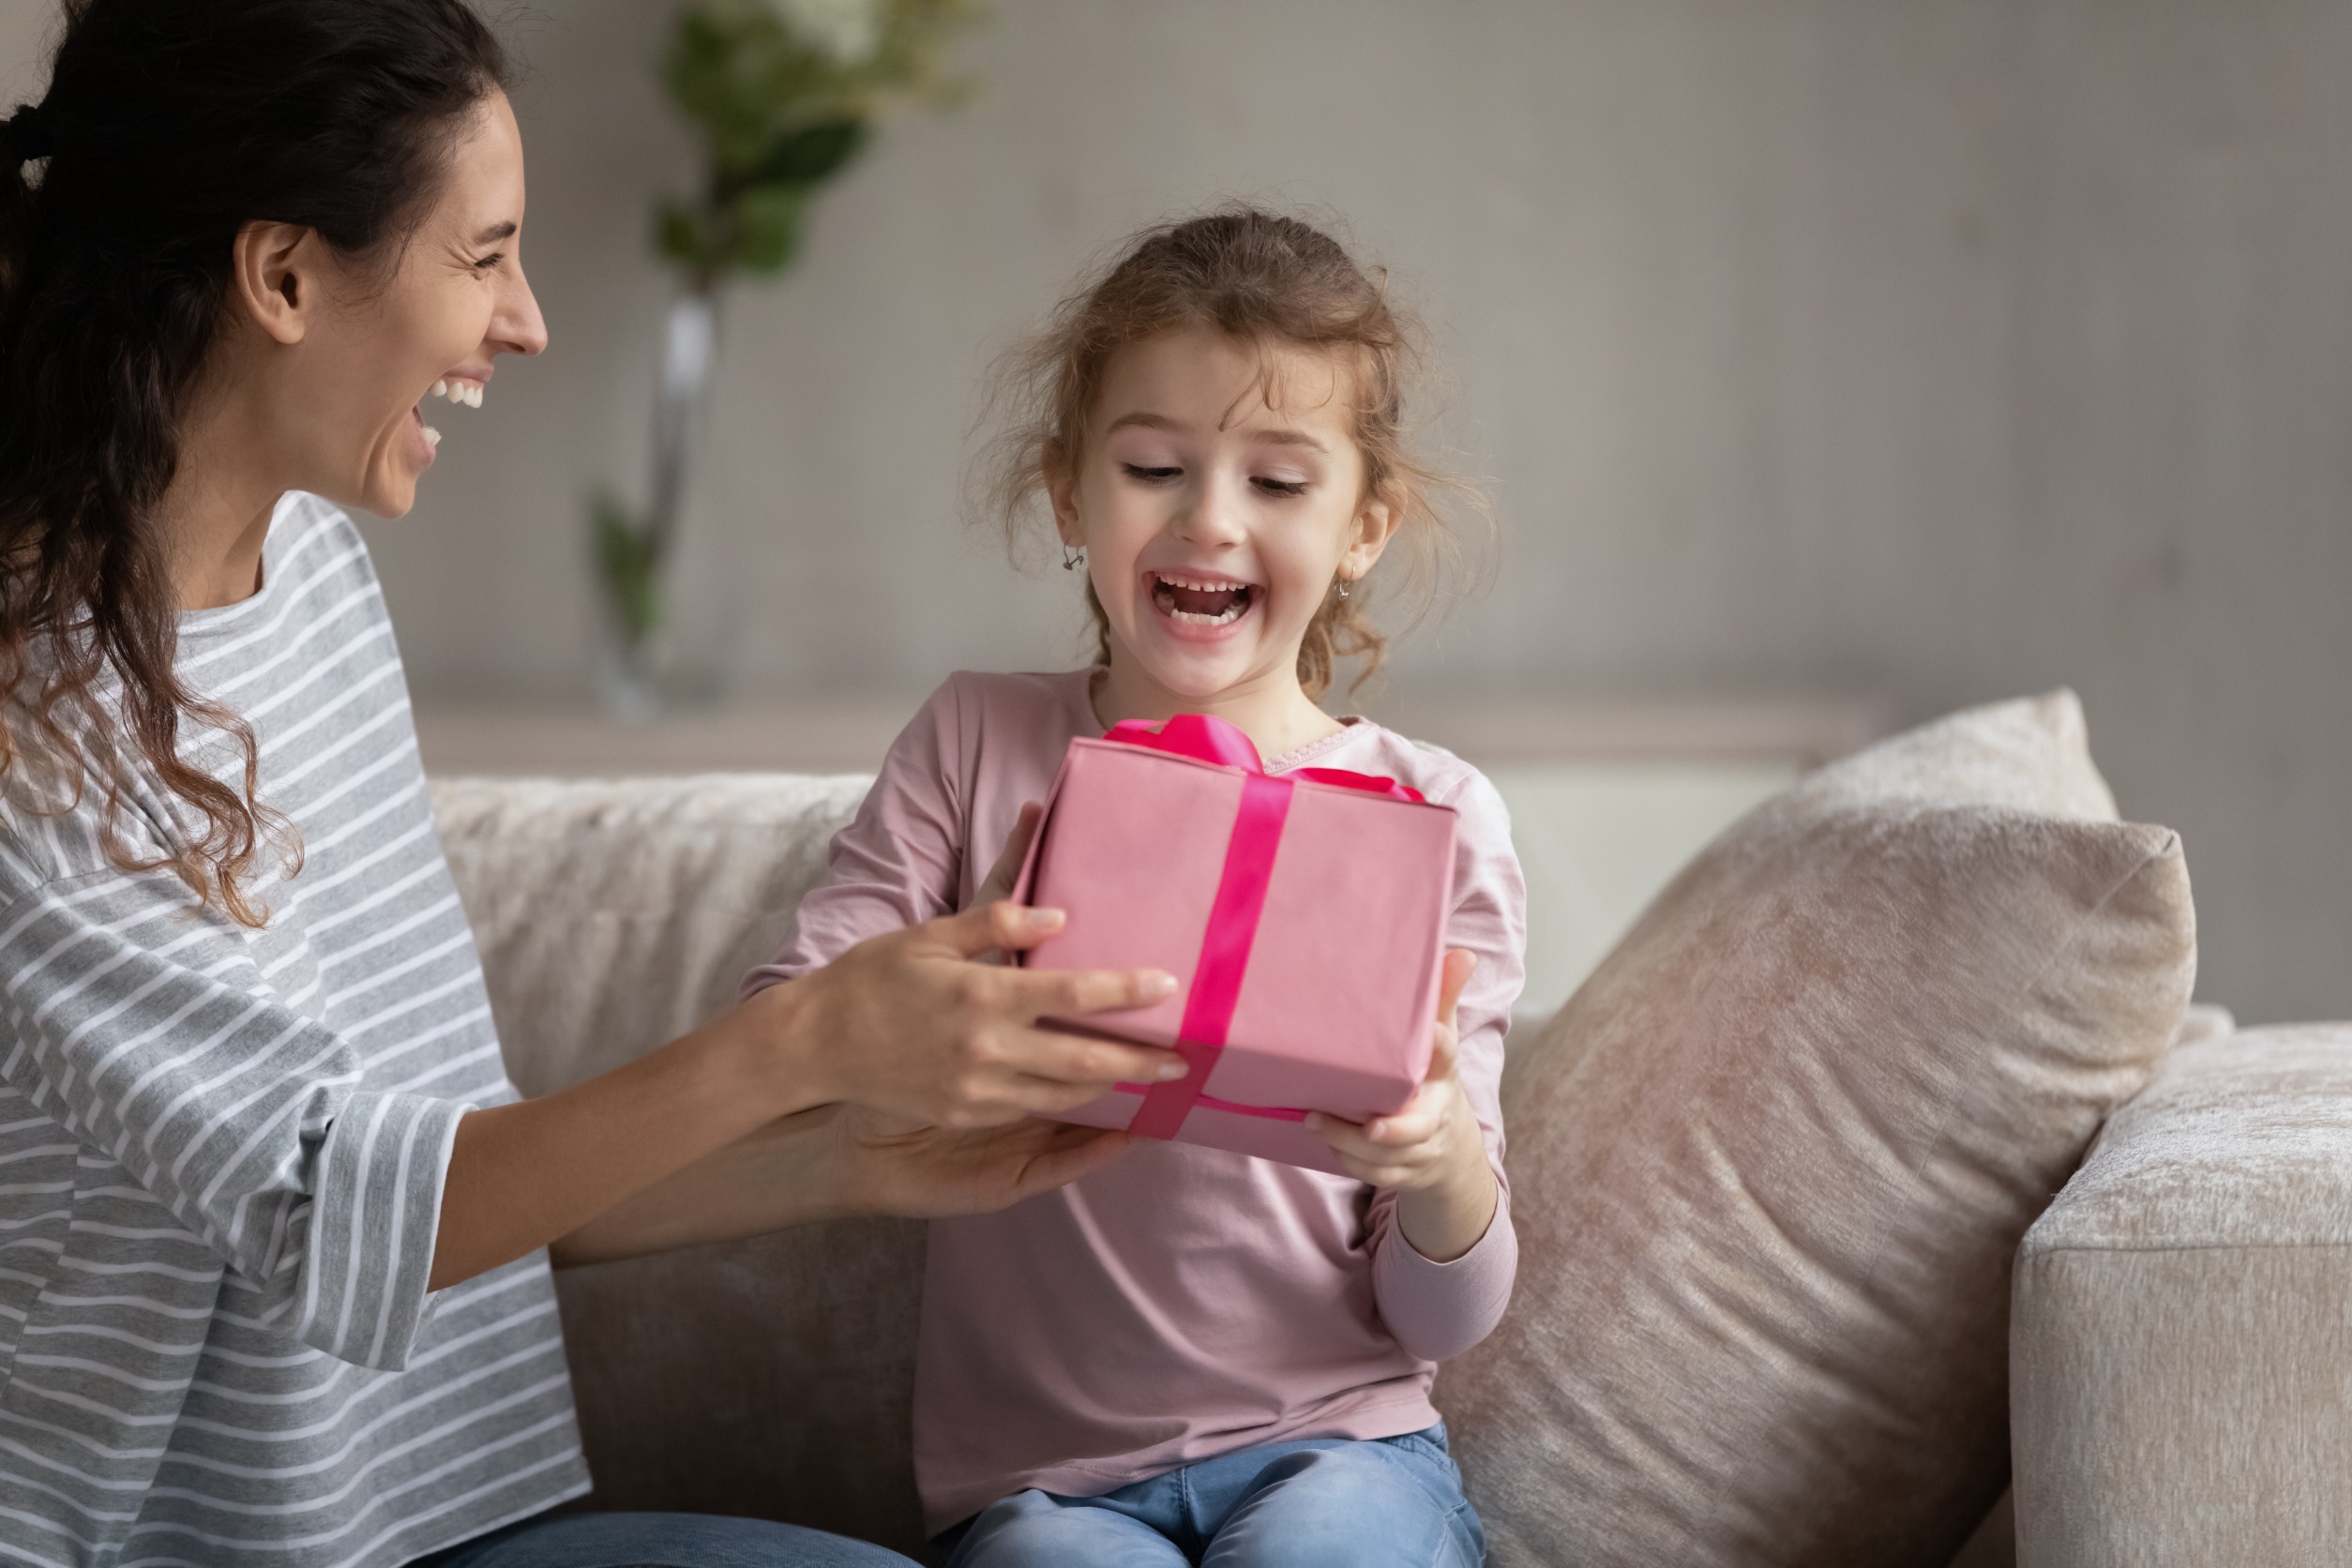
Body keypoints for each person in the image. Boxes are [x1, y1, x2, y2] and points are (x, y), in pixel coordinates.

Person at [0, 5, 1189, 1565]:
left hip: (441, 1520)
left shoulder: (313, 576)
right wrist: (803, 1040)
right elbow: (331, 1211)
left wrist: (839, 1158)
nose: (528, 320)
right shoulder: (34, 739)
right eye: (483, 255)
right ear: (283, 276)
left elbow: (454, 1180)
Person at [743, 209, 1527, 1568]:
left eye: (1280, 483)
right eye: (1156, 466)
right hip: (1046, 1491)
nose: (1210, 520)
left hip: (1340, 1445)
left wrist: (1445, 1165)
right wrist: (950, 1005)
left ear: (1363, 527)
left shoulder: (1435, 815)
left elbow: (1445, 1317)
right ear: (1068, 494)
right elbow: (777, 1052)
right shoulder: (976, 743)